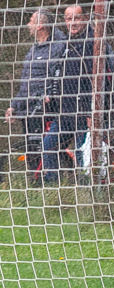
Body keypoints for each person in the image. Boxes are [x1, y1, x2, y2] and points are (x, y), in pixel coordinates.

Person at [44, 4, 114, 173]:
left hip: (88, 113)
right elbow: (58, 74)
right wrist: (51, 95)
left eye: (77, 18)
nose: (73, 23)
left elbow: (101, 82)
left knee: (84, 156)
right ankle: (52, 188)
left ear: (86, 18)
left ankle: (90, 191)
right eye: (68, 19)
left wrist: (91, 113)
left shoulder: (95, 43)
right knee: (48, 146)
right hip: (66, 112)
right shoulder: (65, 45)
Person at [4, 9, 66, 180]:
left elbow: (54, 78)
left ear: (40, 25)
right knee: (32, 152)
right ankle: (36, 184)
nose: (28, 25)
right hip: (28, 110)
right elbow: (26, 84)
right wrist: (14, 106)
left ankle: (53, 183)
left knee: (47, 149)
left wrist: (45, 95)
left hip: (45, 109)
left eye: (31, 21)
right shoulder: (33, 50)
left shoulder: (58, 47)